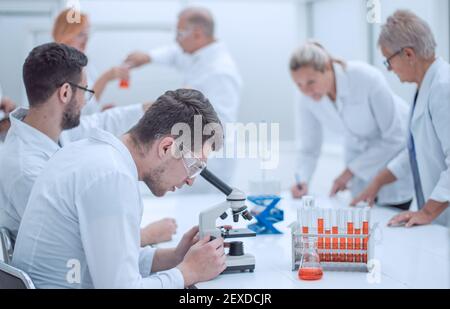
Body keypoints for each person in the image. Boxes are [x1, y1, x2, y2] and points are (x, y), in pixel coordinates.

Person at [12, 88, 226, 288]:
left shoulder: (89, 154)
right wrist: (187, 272)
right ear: (167, 147)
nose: (191, 180)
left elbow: (111, 260)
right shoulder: (111, 175)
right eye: (195, 166)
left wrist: (176, 258)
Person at [0, 43, 175, 245]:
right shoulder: (26, 169)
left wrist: (154, 109)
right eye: (85, 91)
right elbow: (75, 242)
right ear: (65, 93)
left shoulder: (50, 132)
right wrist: (146, 235)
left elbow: (103, 122)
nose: (86, 102)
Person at [125, 6, 242, 189]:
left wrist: (180, 112)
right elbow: (173, 54)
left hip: (210, 161)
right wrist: (148, 57)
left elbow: (220, 127)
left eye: (179, 33)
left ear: (196, 34)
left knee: (198, 209)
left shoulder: (220, 71)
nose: (176, 40)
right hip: (190, 155)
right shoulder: (196, 55)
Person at [289, 41, 414, 210]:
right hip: (358, 171)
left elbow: (395, 138)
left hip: (394, 163)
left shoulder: (365, 77)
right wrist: (302, 179)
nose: (306, 90)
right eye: (299, 84)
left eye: (311, 82)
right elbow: (309, 147)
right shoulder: (306, 97)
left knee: (391, 224)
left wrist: (350, 172)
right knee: (361, 225)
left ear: (327, 67)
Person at [352, 10, 449, 227]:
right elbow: (413, 153)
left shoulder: (444, 87)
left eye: (388, 61)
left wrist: (426, 212)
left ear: (408, 54)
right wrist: (377, 182)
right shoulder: (425, 87)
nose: (389, 69)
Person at [52, 8, 130, 114]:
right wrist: (105, 78)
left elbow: (87, 110)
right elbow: (75, 113)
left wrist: (100, 112)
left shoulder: (84, 63)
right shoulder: (55, 66)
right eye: (80, 35)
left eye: (87, 35)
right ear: (65, 35)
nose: (86, 41)